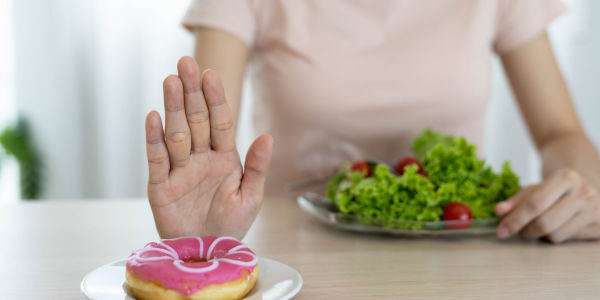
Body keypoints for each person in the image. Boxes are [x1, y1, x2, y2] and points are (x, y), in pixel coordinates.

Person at [144, 0, 600, 243]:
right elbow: (206, 145)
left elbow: (561, 133)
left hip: (458, 253)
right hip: (300, 250)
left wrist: (584, 189)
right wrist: (202, 239)